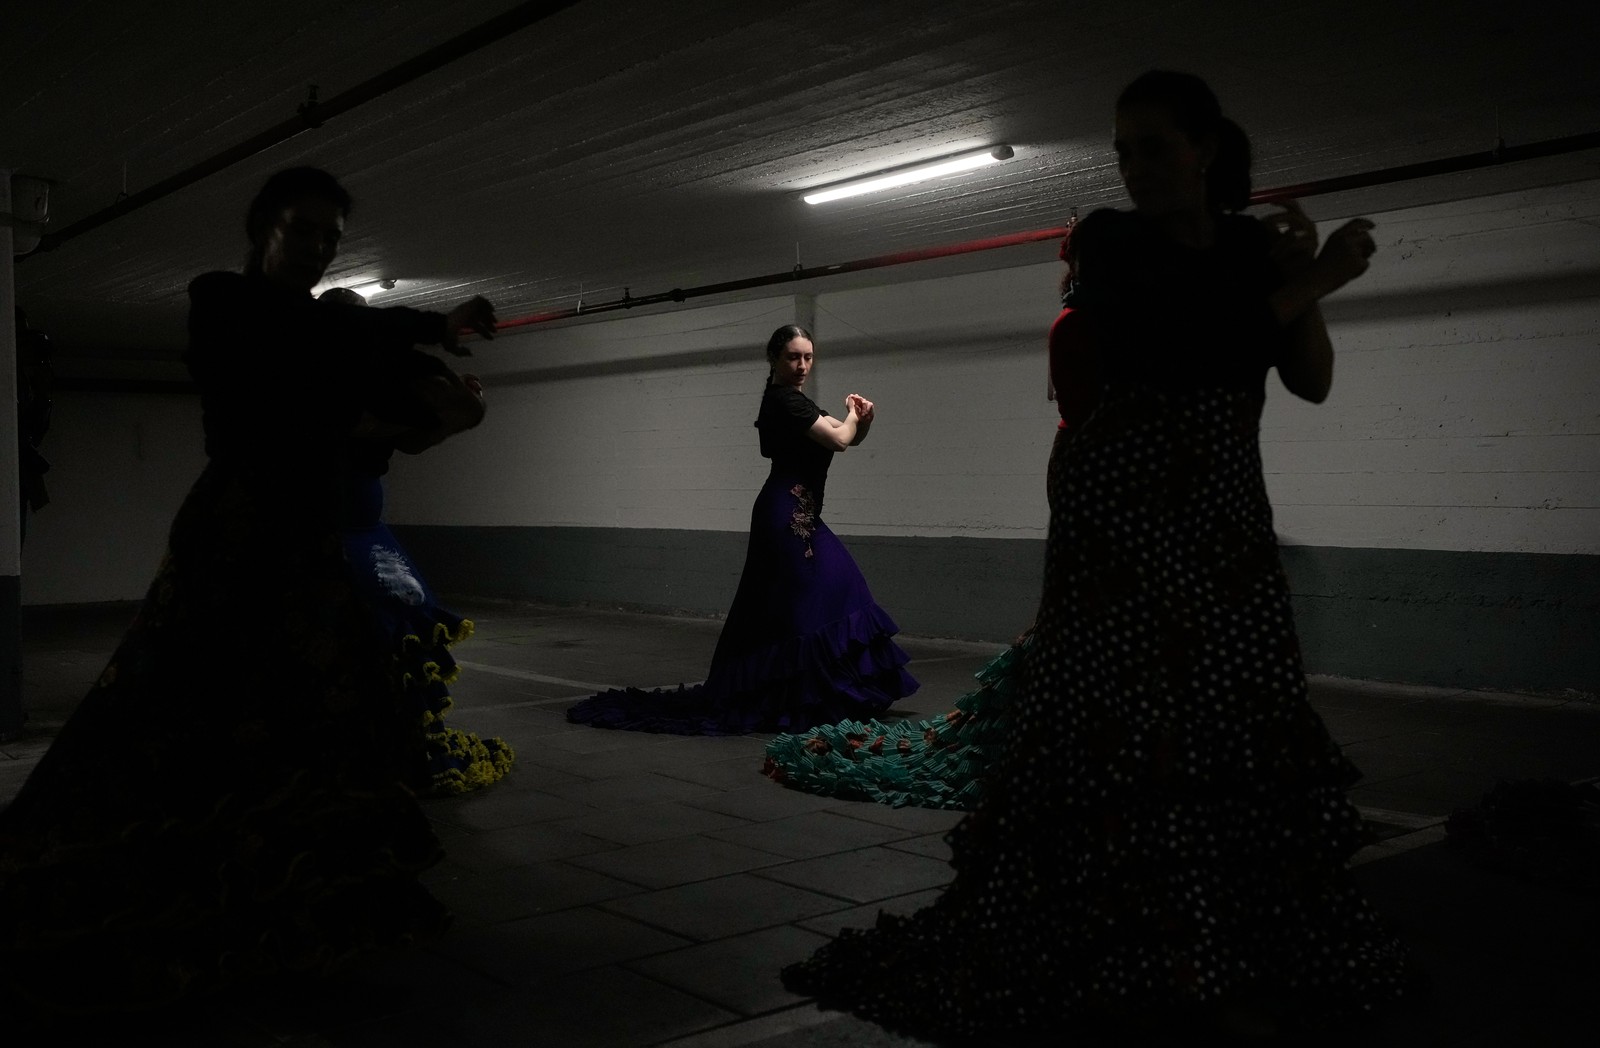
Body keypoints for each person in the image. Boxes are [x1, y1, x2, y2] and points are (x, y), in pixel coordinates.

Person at [782, 71, 1414, 1040]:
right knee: (1120, 706)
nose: (1134, 166)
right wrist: (1314, 277)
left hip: (1220, 511)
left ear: (1203, 148)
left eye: (1152, 146)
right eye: (1122, 149)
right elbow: (1190, 341)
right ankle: (1116, 923)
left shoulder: (1250, 252)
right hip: (1119, 509)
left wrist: (1298, 283)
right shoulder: (1115, 244)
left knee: (1229, 697)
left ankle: (1217, 918)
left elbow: (1308, 377)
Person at [0, 166, 498, 1014]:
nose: (316, 247)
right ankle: (157, 889)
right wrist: (417, 334)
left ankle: (294, 902)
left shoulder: (319, 333)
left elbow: (369, 402)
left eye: (331, 238)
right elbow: (308, 353)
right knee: (182, 706)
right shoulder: (224, 301)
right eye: (304, 229)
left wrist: (431, 402)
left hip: (304, 542)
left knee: (325, 710)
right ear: (263, 228)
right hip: (233, 537)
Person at [567, 324, 917, 735]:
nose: (802, 364)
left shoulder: (797, 401)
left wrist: (864, 420)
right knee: (805, 605)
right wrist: (853, 418)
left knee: (829, 593)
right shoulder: (783, 400)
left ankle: (822, 693)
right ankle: (803, 697)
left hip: (800, 517)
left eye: (808, 356)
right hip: (785, 518)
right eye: (793, 357)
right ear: (774, 359)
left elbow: (848, 439)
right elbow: (840, 439)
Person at [319, 286, 514, 796]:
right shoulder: (316, 382)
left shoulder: (377, 379)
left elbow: (421, 433)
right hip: (326, 522)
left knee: (393, 618)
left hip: (360, 520)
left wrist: (457, 404)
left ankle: (379, 739)